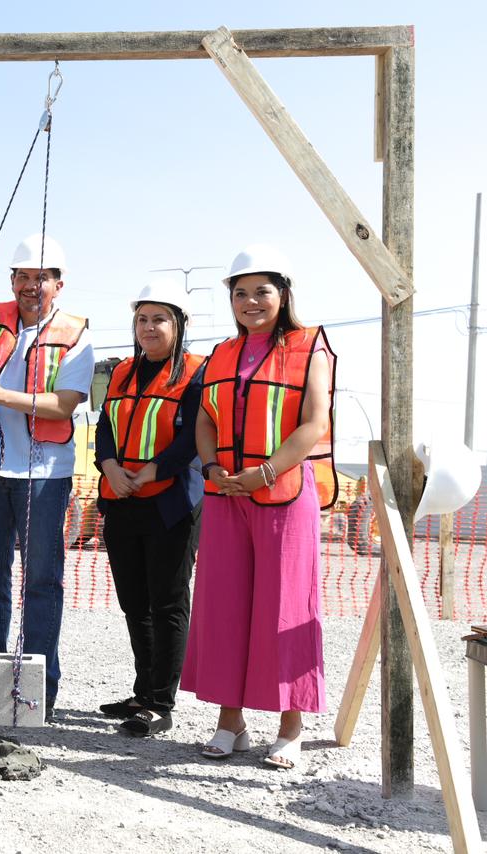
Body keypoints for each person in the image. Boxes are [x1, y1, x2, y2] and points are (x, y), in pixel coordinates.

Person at [180, 244, 337, 770]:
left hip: (284, 496)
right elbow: (205, 418)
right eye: (240, 292)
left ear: (283, 294)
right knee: (225, 605)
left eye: (261, 291)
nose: (250, 301)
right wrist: (211, 469)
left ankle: (291, 726)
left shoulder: (309, 345)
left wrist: (266, 472)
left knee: (285, 606)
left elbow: (314, 422)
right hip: (227, 496)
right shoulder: (221, 353)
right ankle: (232, 722)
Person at [0, 234, 95, 720]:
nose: (30, 285)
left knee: (42, 580)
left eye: (41, 277)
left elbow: (65, 404)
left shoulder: (76, 337)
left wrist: (4, 397)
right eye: (22, 276)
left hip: (44, 473)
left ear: (58, 284)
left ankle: (40, 685)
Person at [94, 279, 205, 737]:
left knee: (167, 602)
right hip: (121, 499)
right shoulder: (120, 372)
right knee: (134, 603)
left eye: (159, 318)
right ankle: (143, 692)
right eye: (142, 319)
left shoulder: (197, 372)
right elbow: (104, 426)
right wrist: (110, 467)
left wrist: (153, 471)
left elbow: (194, 437)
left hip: (171, 503)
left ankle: (161, 702)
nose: (148, 327)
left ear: (179, 324)